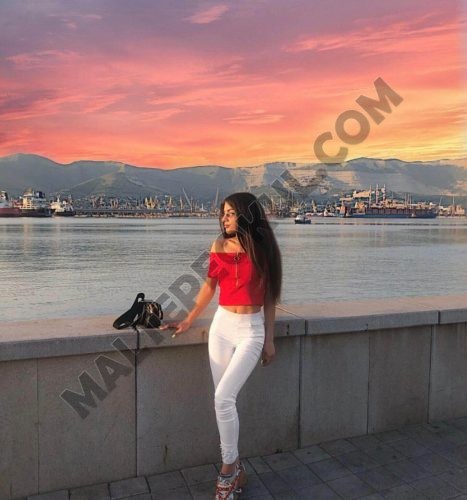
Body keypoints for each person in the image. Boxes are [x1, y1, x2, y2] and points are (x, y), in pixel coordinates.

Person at [161, 192, 282, 499]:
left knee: (223, 398)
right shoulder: (218, 245)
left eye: (230, 213)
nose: (223, 218)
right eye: (223, 213)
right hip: (222, 327)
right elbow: (209, 287)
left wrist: (269, 339)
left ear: (245, 215)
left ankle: (227, 471)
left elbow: (270, 297)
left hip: (251, 330)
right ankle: (236, 468)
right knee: (222, 401)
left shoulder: (263, 248)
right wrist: (188, 320)